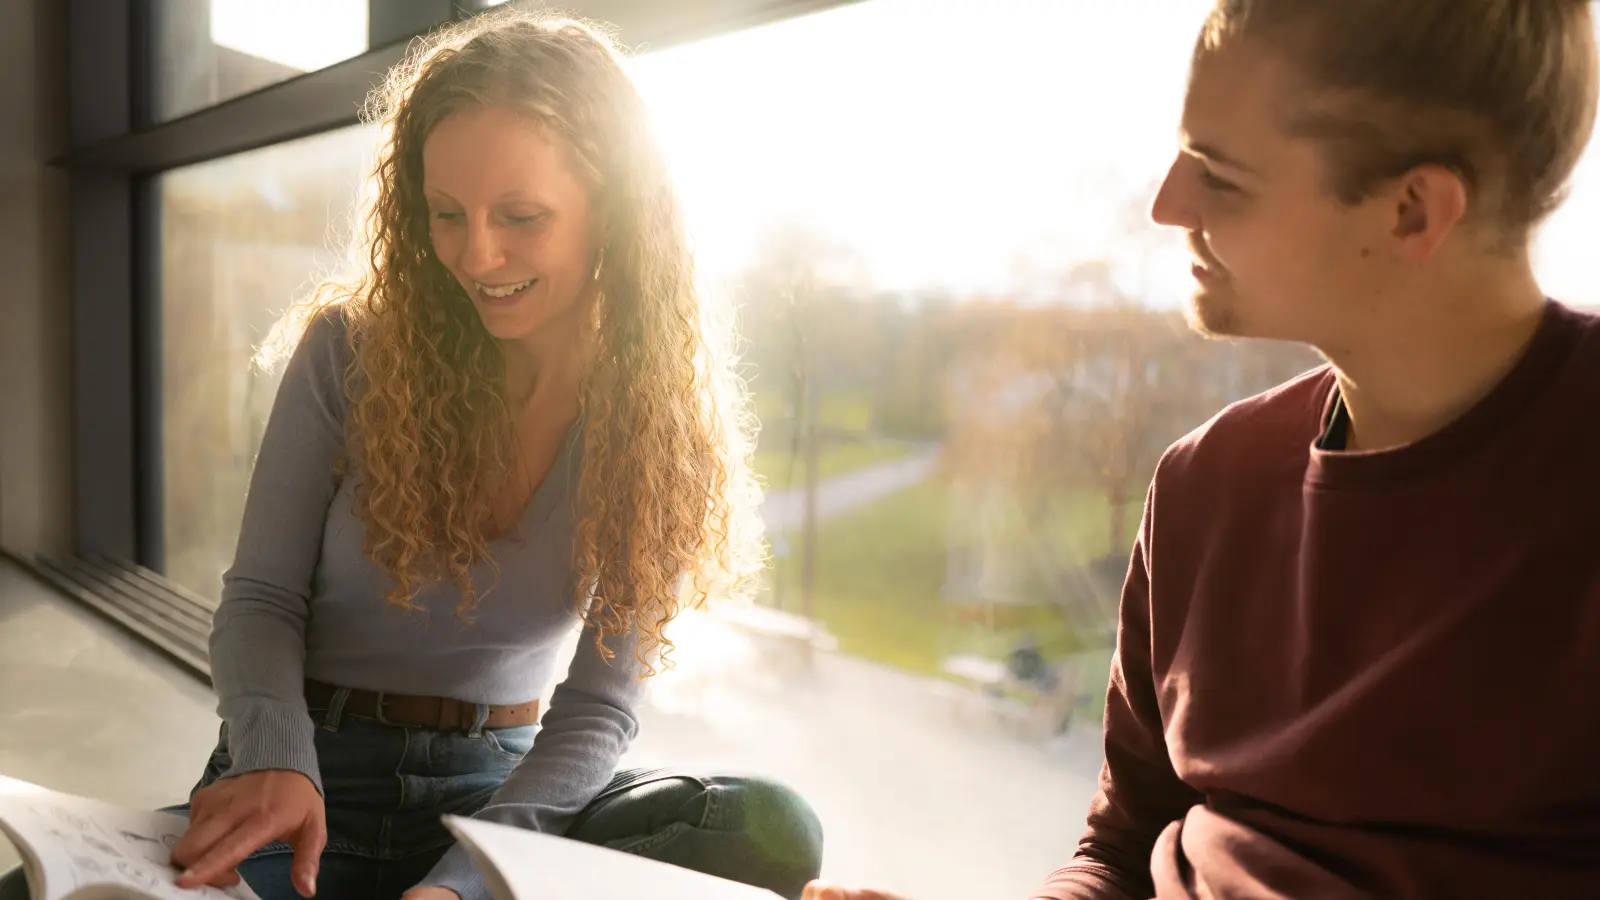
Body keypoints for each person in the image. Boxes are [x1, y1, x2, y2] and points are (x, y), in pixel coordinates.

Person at [0, 9, 822, 900]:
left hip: (504, 799)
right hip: (307, 779)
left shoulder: (656, 421)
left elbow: (599, 706)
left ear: (614, 212)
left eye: (521, 215)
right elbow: (261, 600)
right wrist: (275, 757)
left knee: (767, 827)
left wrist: (465, 882)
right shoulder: (347, 350)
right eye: (445, 213)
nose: (477, 254)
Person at [807, 0, 1600, 898]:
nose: (1164, 204)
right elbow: (1120, 845)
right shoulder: (1205, 481)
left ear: (1413, 211)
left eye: (1219, 175)